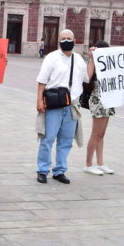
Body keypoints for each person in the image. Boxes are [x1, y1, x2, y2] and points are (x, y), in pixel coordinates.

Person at [35, 29, 88, 184]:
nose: (66, 40)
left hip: (72, 105)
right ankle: (42, 170)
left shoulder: (79, 59)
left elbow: (86, 78)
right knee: (48, 138)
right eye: (63, 38)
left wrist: (92, 59)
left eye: (69, 38)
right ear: (59, 40)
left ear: (74, 40)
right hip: (54, 105)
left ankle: (60, 170)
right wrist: (39, 100)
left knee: (66, 140)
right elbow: (42, 80)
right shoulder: (52, 57)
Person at [83, 41, 115, 176]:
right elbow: (87, 78)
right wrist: (91, 57)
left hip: (108, 99)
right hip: (97, 99)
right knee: (95, 133)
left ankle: (100, 163)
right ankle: (88, 164)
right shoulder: (94, 62)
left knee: (101, 133)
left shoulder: (109, 64)